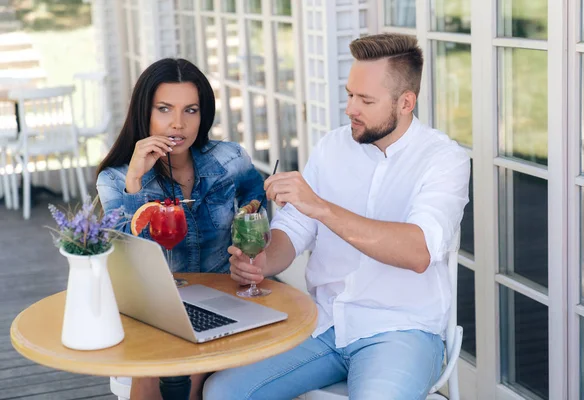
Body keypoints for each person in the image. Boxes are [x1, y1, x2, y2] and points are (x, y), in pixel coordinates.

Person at [203, 33, 470, 400]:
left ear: (406, 102)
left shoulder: (443, 160)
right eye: (349, 94)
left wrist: (322, 207)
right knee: (223, 391)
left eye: (365, 100)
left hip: (401, 330)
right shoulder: (332, 147)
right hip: (323, 321)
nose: (350, 109)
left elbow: (418, 251)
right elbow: (294, 229)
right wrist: (263, 261)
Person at [96, 58, 265, 400]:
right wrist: (135, 182)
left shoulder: (229, 159)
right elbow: (124, 258)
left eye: (191, 110)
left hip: (228, 297)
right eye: (164, 109)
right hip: (160, 307)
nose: (178, 124)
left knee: (192, 367)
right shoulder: (115, 179)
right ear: (144, 112)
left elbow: (255, 192)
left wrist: (250, 225)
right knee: (151, 373)